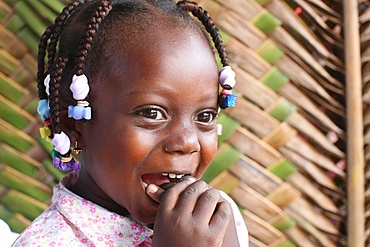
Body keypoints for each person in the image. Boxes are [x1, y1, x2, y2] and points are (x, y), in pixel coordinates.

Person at [12, 0, 248, 246]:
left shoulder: (215, 216)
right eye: (153, 113)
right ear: (73, 125)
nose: (188, 142)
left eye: (205, 116)